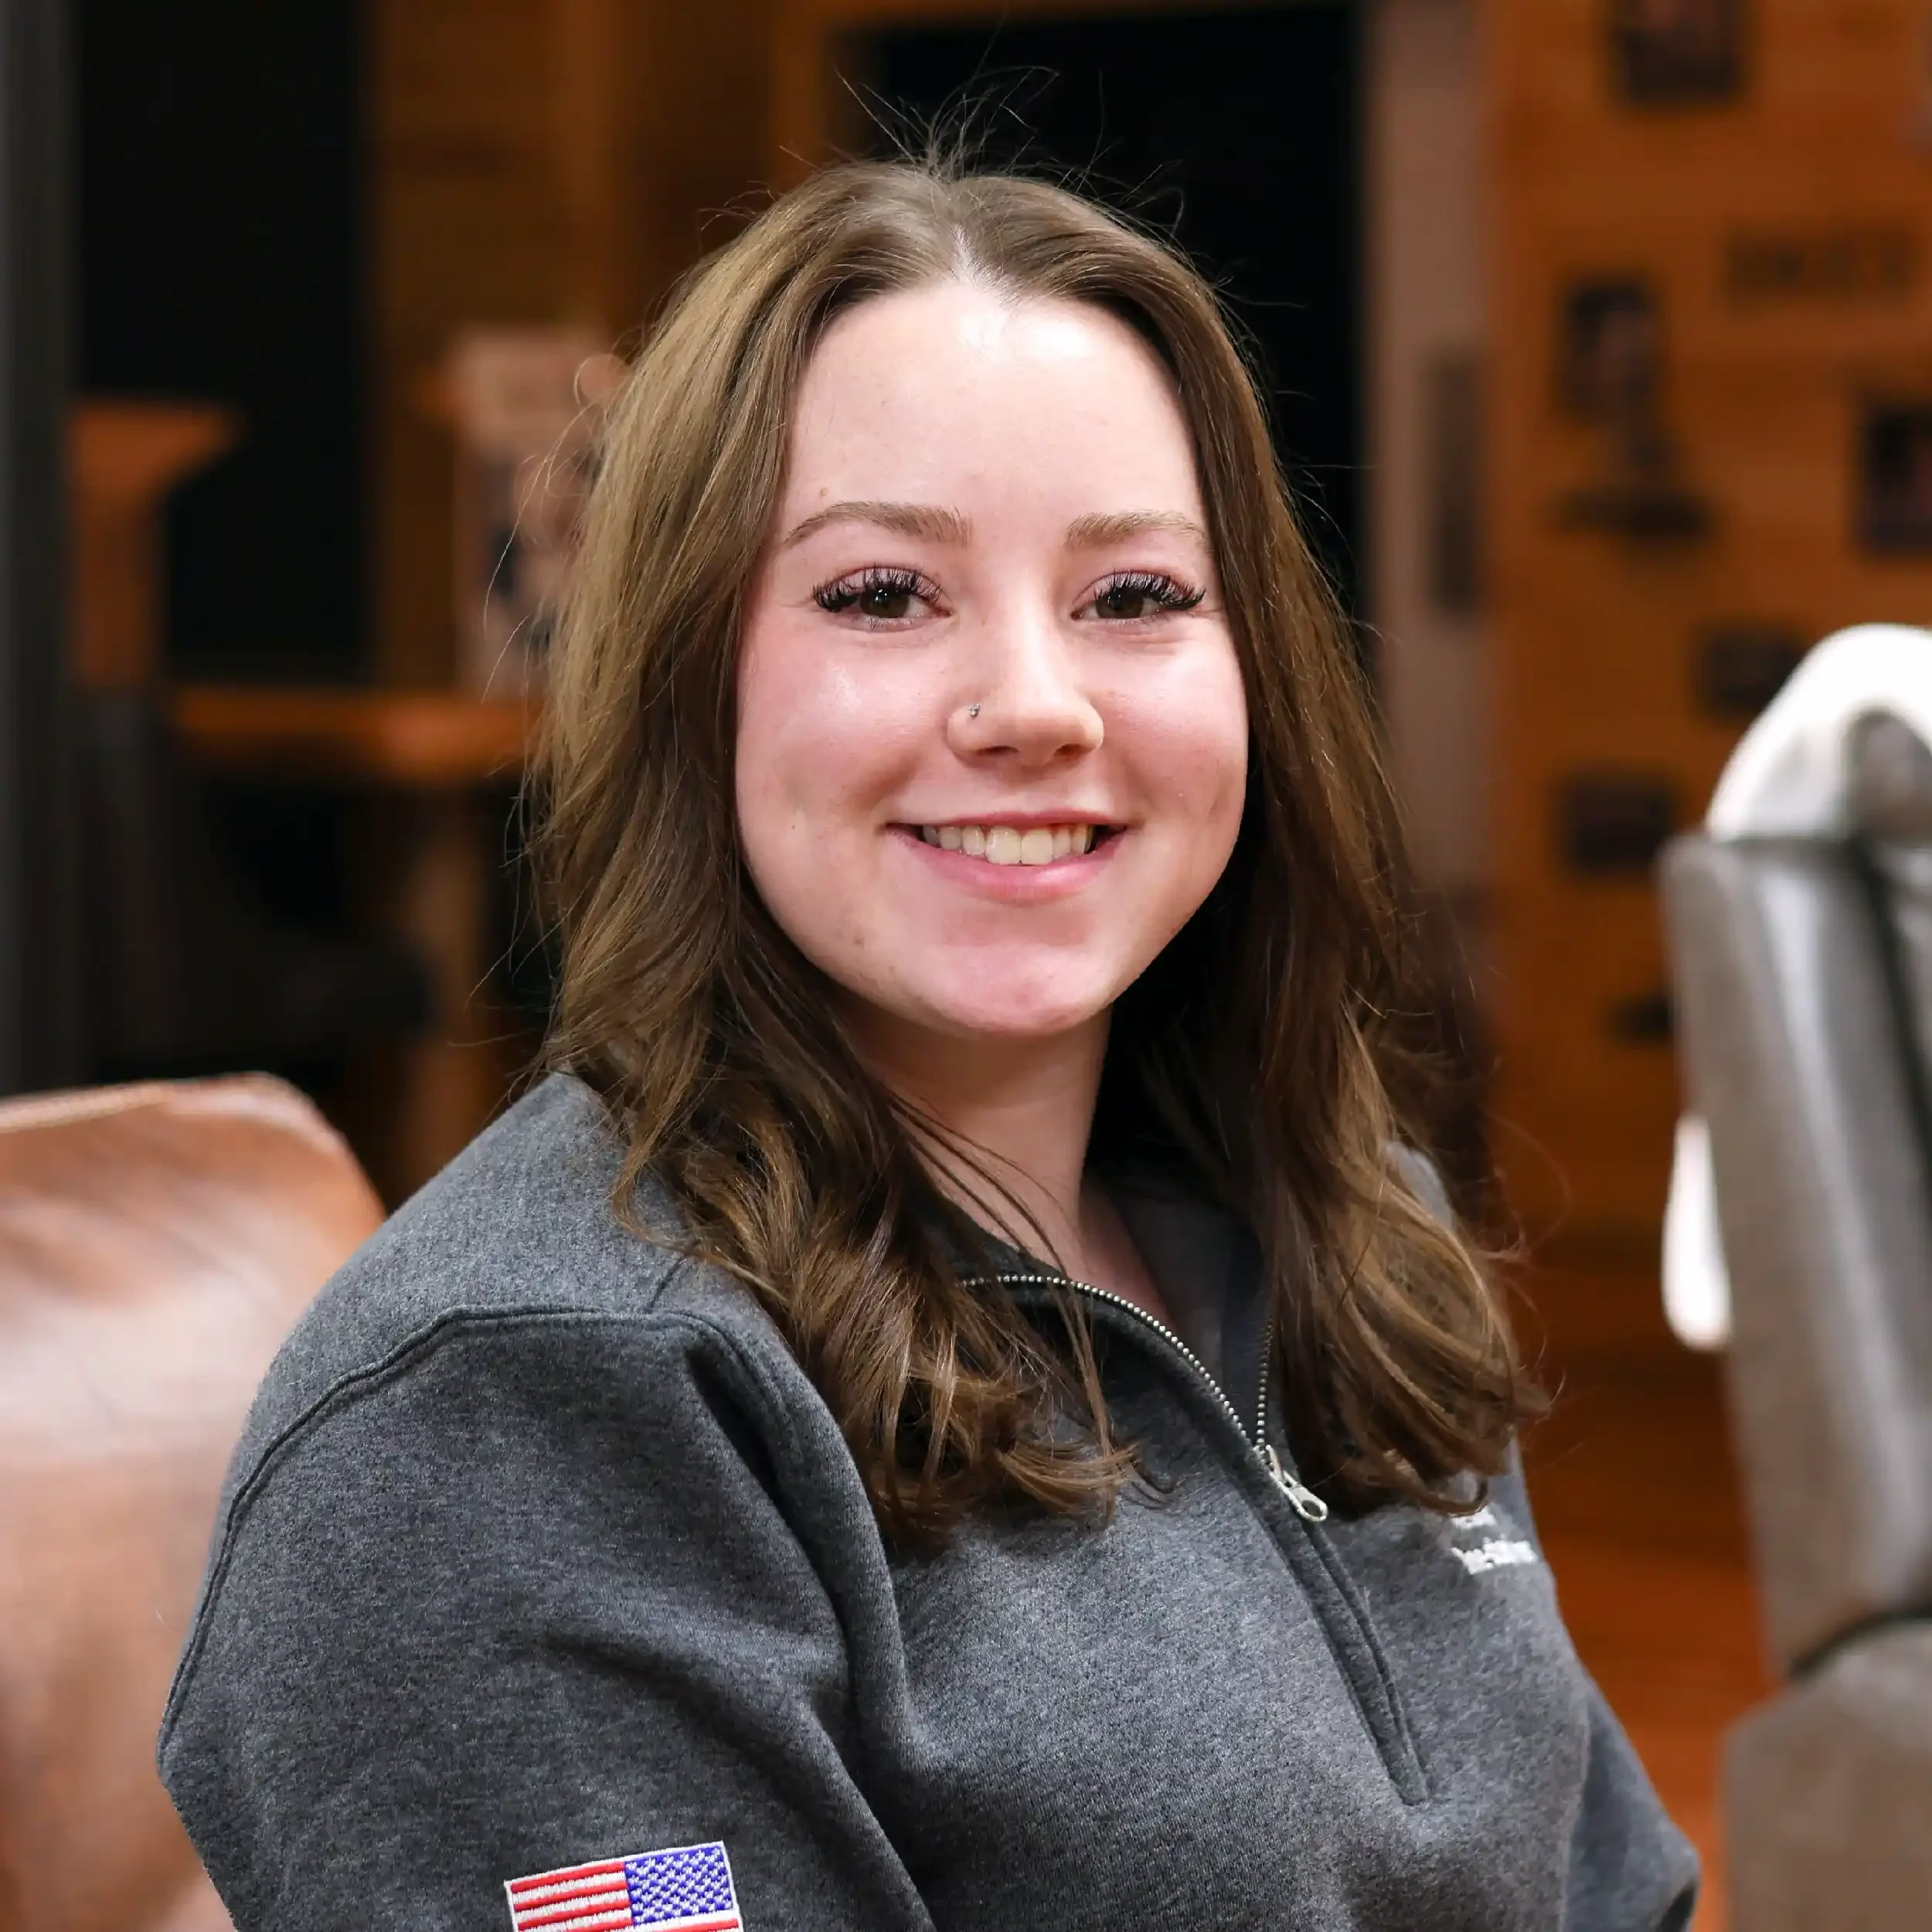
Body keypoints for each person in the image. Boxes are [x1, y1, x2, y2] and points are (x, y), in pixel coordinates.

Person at [158, 160, 1698, 1931]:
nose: (1035, 702)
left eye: (1132, 597)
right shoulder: (516, 1412)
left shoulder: (1344, 1225)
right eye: (884, 594)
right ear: (688, 668)